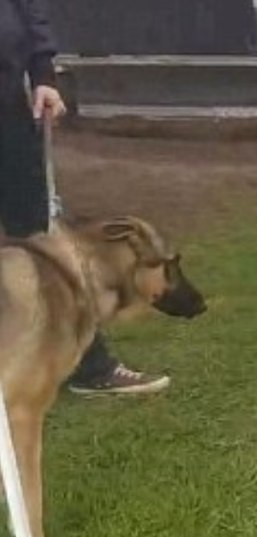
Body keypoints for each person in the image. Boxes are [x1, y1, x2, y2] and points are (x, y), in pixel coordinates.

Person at [0, 0, 168, 395]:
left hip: (7, 113)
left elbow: (28, 11)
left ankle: (89, 366)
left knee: (43, 241)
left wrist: (43, 73)